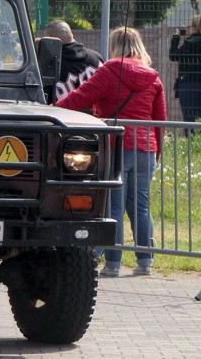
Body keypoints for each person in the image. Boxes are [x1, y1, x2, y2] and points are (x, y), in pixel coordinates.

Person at [55, 27, 166, 277]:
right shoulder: (153, 76)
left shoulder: (109, 70)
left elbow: (79, 97)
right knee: (141, 206)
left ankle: (113, 263)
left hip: (116, 147)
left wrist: (51, 110)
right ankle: (145, 261)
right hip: (146, 147)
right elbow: (161, 120)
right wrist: (156, 152)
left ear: (115, 46)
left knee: (113, 207)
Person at [45, 19, 104, 103]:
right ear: (72, 34)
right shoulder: (97, 58)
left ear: (50, 41)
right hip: (95, 115)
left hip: (62, 114)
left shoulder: (49, 65)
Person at [169, 14, 201, 125]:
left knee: (190, 120)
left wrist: (177, 37)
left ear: (195, 27)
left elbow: (173, 56)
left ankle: (192, 141)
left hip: (189, 85)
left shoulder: (190, 43)